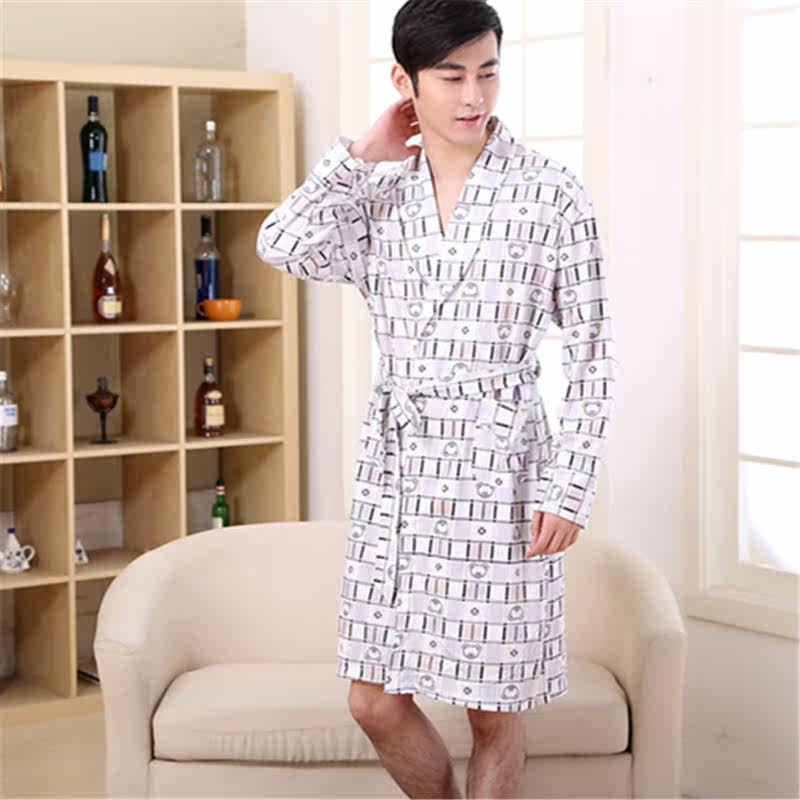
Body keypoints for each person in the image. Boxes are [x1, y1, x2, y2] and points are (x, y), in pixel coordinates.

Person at [256, 1, 619, 796]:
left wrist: (571, 486)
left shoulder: (552, 195)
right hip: (398, 472)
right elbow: (279, 243)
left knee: (493, 708)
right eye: (450, 76)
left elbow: (593, 353)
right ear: (405, 82)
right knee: (375, 700)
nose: (473, 96)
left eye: (487, 72)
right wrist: (359, 154)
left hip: (504, 468)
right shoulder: (378, 194)